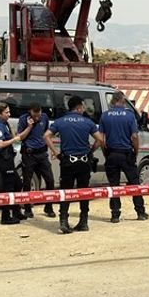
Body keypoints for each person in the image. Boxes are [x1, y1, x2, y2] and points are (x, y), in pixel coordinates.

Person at [46, 96, 104, 234]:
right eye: (82, 107)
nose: (83, 109)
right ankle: (83, 221)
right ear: (78, 107)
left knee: (65, 191)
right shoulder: (87, 122)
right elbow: (100, 139)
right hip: (84, 162)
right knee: (84, 192)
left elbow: (46, 136)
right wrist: (91, 151)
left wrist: (56, 152)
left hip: (67, 162)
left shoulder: (60, 122)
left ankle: (64, 221)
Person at [99, 92, 147, 222]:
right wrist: (136, 151)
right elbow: (135, 137)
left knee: (114, 185)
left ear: (113, 101)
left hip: (112, 153)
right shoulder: (129, 116)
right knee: (134, 184)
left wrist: (105, 152)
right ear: (122, 100)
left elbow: (101, 139)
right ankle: (140, 212)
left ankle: (115, 214)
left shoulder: (105, 116)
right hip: (126, 154)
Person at [0, 102, 30, 225]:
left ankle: (16, 211)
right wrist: (13, 140)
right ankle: (5, 216)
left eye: (9, 112)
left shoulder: (5, 124)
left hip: (9, 159)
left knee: (18, 184)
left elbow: (16, 138)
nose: (9, 114)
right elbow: (0, 144)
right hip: (4, 160)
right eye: (6, 112)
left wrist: (16, 134)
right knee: (8, 188)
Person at [17, 102, 53, 218]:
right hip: (29, 154)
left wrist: (52, 150)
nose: (37, 117)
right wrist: (29, 126)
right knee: (27, 182)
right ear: (30, 111)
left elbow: (47, 133)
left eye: (39, 114)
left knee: (50, 180)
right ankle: (28, 208)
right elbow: (20, 137)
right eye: (35, 115)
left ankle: (48, 207)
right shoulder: (23, 119)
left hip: (42, 154)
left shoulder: (45, 117)